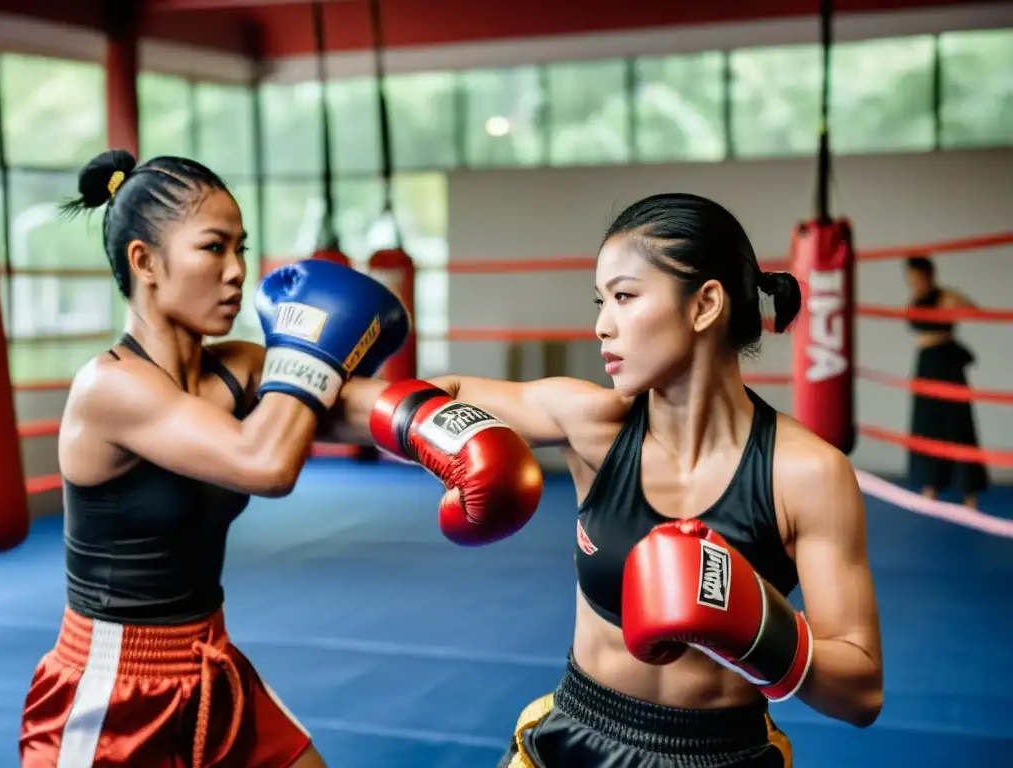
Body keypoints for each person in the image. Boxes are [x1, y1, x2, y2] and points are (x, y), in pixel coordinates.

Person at [329, 193, 884, 767]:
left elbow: (862, 691)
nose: (601, 326)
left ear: (705, 305)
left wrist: (760, 629)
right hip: (575, 738)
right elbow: (430, 396)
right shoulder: (592, 425)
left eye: (624, 297)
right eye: (600, 301)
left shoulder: (804, 473)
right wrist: (282, 384)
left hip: (721, 756)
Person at [18, 148, 422, 768]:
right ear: (144, 261)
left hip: (210, 665)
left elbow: (378, 406)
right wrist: (313, 356)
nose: (238, 271)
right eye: (214, 248)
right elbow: (266, 462)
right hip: (111, 694)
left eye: (242, 248)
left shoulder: (239, 369)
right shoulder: (110, 387)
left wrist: (534, 417)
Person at [904, 254, 988, 507]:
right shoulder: (916, 299)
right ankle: (931, 486)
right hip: (925, 364)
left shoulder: (945, 296)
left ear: (930, 275)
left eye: (918, 278)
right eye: (911, 279)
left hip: (946, 363)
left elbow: (977, 313)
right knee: (927, 426)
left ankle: (969, 493)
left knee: (958, 425)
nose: (915, 283)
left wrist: (953, 301)